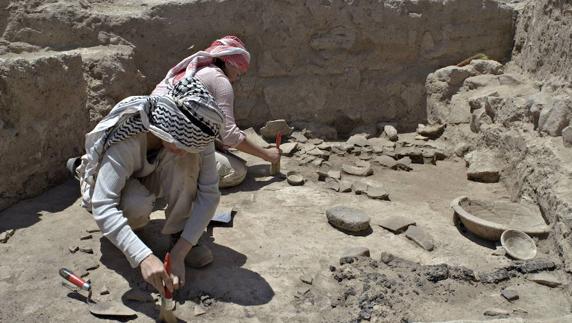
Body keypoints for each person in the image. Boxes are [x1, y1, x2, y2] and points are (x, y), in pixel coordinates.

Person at [73, 75, 224, 296]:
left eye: (189, 146)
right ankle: (133, 231)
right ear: (166, 127)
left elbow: (209, 193)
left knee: (188, 161)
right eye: (179, 144)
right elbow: (103, 204)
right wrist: (142, 257)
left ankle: (178, 234)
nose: (183, 150)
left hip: (151, 176)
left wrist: (180, 252)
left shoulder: (201, 128)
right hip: (124, 188)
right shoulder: (127, 139)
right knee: (135, 204)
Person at [152, 35, 280, 188]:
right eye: (239, 68)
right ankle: (175, 178)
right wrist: (267, 155)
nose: (238, 76)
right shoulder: (220, 80)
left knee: (216, 148)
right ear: (228, 61)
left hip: (151, 141)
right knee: (237, 171)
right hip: (170, 146)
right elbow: (229, 135)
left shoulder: (195, 71)